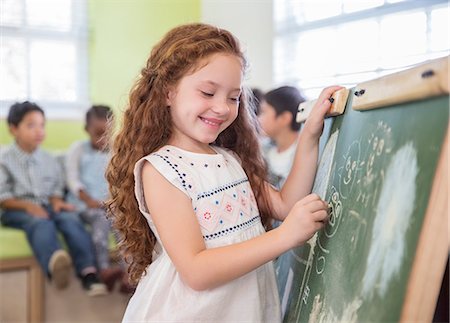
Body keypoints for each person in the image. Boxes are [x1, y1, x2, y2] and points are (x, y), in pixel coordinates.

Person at [105, 23, 341, 322]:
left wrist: (309, 136)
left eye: (233, 97)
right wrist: (284, 237)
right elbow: (196, 271)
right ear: (168, 92)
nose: (222, 108)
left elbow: (285, 205)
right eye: (207, 92)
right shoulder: (162, 169)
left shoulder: (229, 159)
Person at [0, 101, 107, 297]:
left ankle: (88, 273)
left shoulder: (49, 159)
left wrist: (57, 201)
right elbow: (3, 196)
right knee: (40, 223)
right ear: (14, 129)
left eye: (42, 125)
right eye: (31, 125)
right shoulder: (4, 159)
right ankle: (55, 264)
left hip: (48, 205)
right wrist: (27, 207)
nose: (39, 131)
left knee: (70, 220)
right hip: (18, 209)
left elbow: (57, 186)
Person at [65, 105, 132, 293]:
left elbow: (120, 180)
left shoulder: (115, 152)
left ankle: (128, 274)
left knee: (125, 226)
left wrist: (117, 200)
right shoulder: (78, 150)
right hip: (85, 204)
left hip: (108, 204)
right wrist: (88, 200)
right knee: (100, 223)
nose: (102, 140)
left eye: (107, 134)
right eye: (97, 134)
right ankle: (103, 269)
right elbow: (73, 179)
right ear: (87, 130)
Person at [258, 86, 306, 189]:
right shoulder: (262, 151)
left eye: (263, 112)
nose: (258, 119)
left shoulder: (304, 153)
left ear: (284, 118)